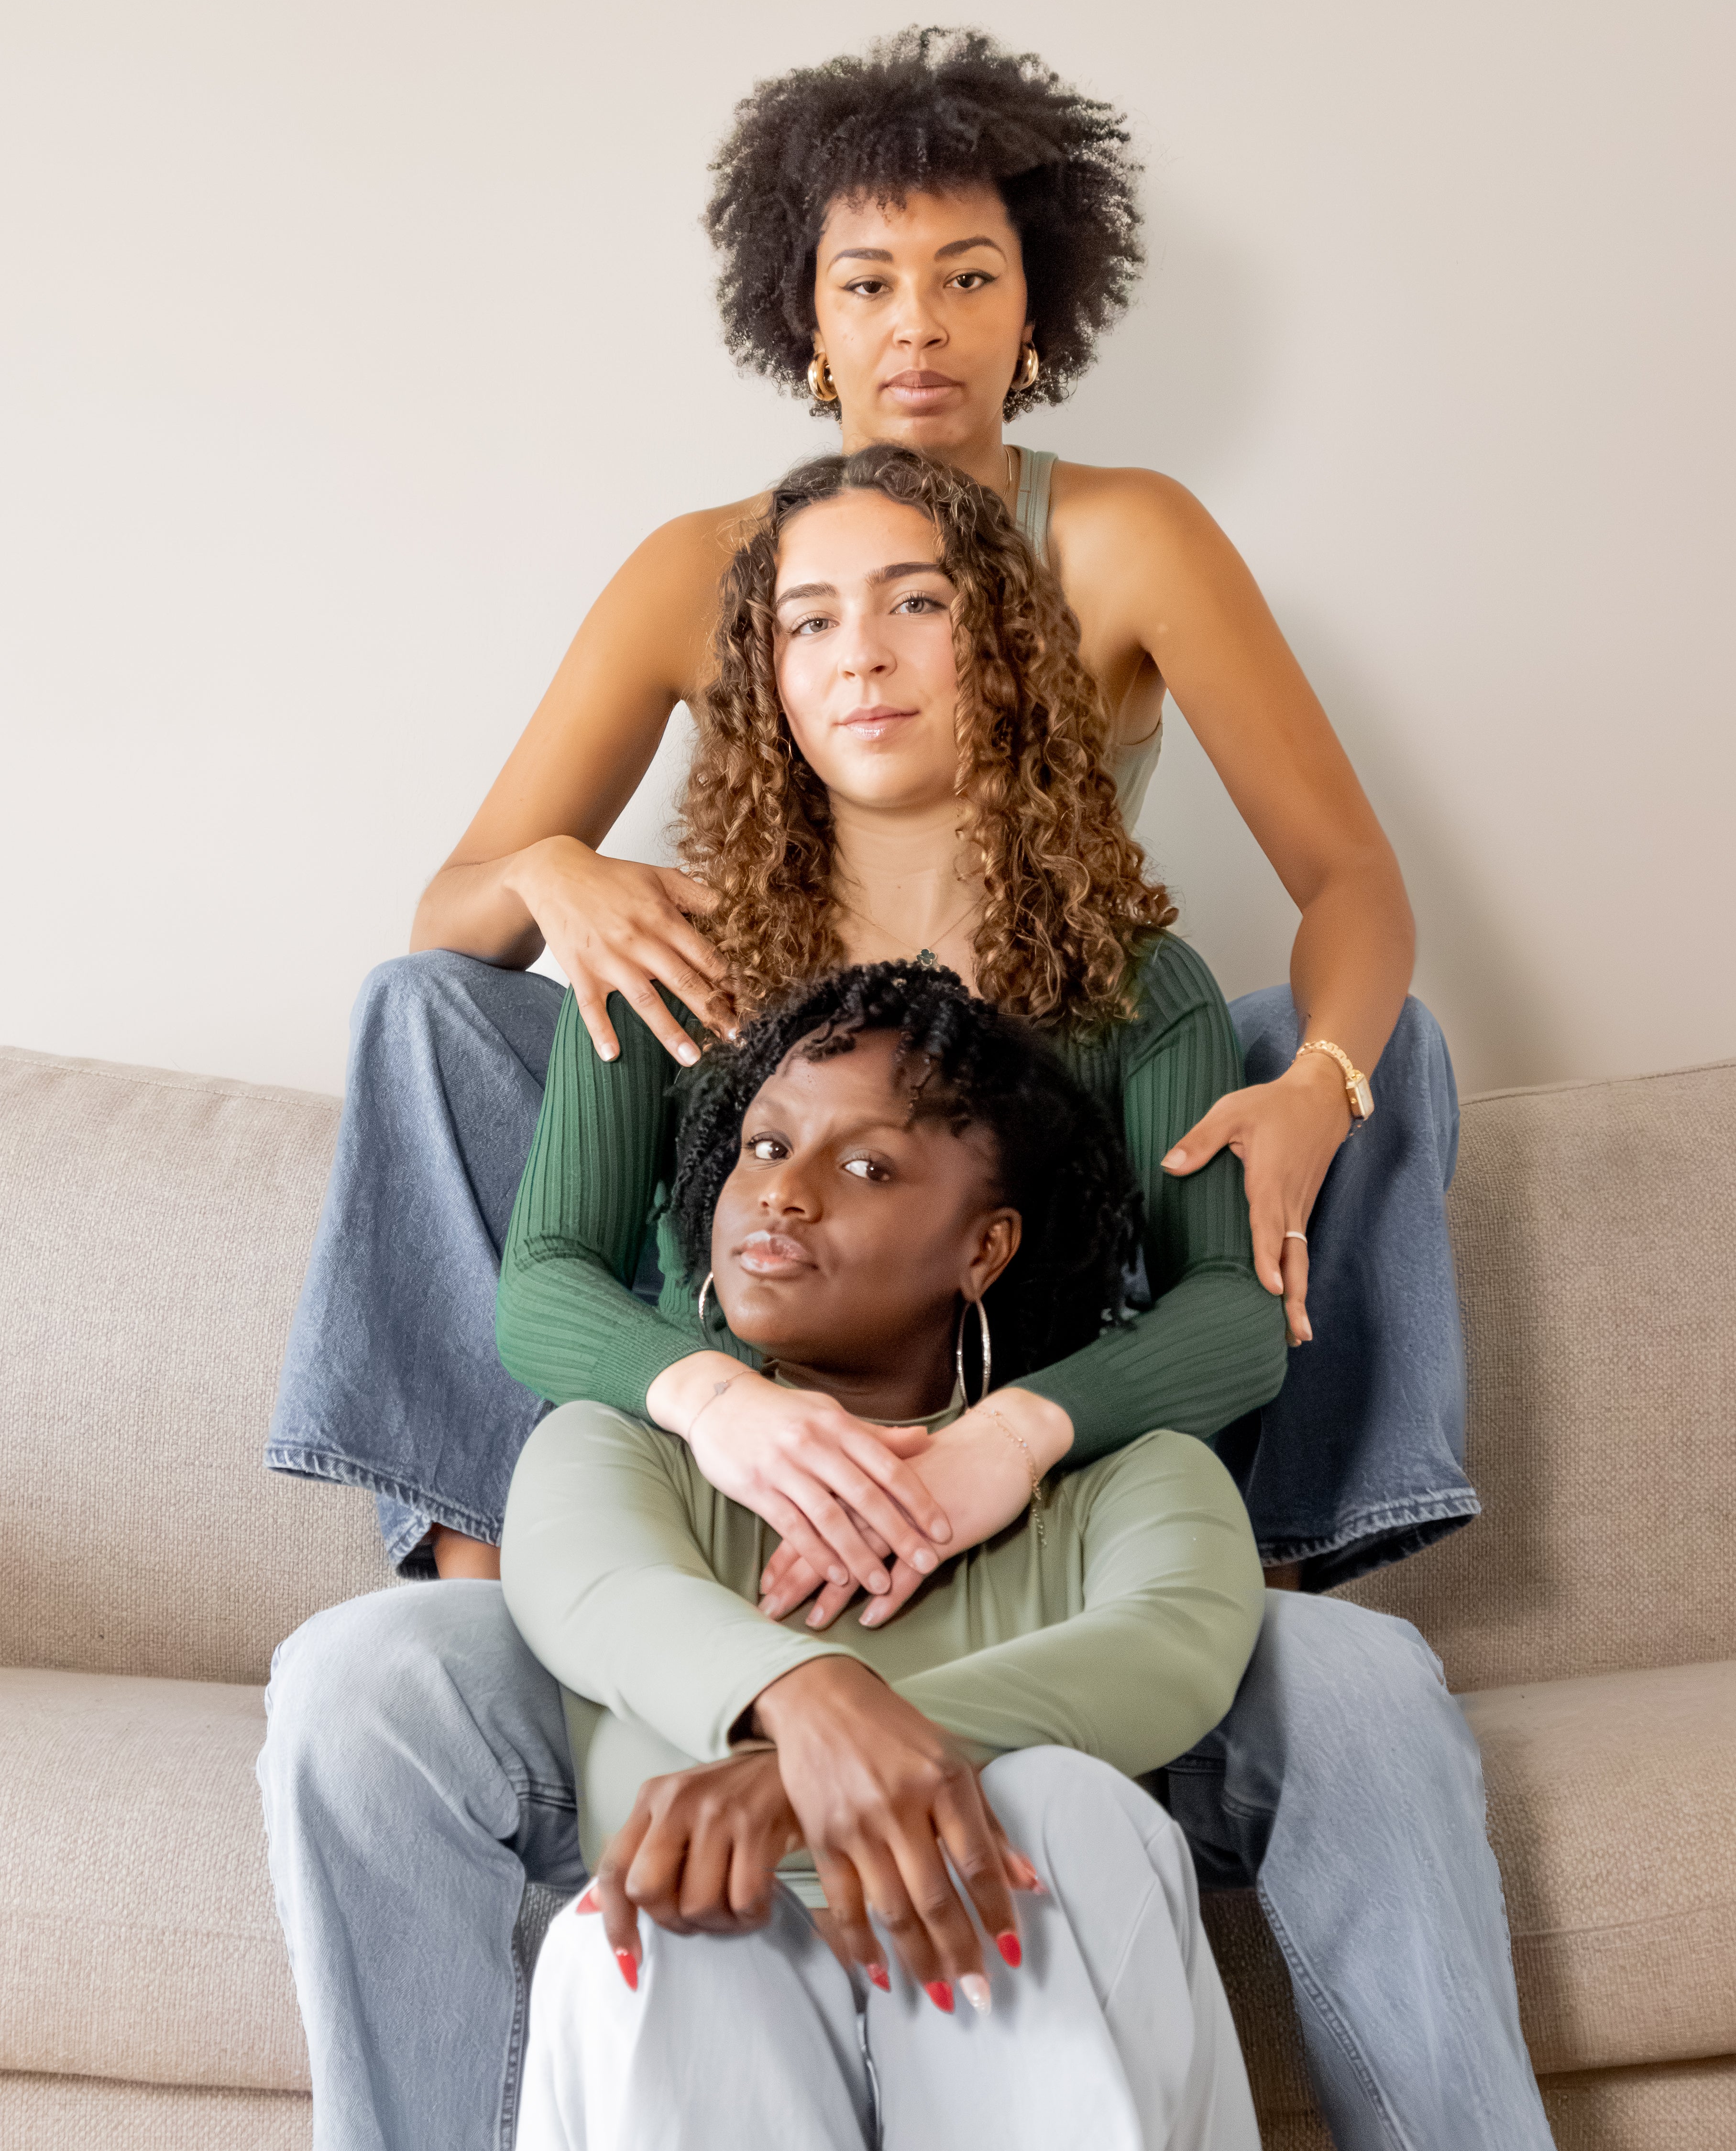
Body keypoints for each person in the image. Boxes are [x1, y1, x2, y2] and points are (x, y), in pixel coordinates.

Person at [258, 448, 1552, 2151]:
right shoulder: (671, 953)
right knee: (356, 1682)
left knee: (1370, 1686)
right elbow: (546, 1293)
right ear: (760, 681)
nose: (855, 655)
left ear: (1006, 645)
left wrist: (1012, 1440)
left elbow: (1229, 1320)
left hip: (1014, 1539)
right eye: (806, 624)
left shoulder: (1133, 982)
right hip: (714, 1535)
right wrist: (721, 1400)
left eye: (915, 605)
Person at [266, 26, 1472, 1596]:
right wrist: (559, 871)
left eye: (968, 278)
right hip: (795, 1079)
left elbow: (1351, 878)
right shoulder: (697, 572)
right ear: (806, 324)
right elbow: (453, 919)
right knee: (421, 1007)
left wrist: (1320, 1079)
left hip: (1058, 1087)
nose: (920, 327)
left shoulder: (1132, 539)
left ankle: (1284, 1572)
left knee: (1392, 1055)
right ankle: (482, 1574)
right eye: (867, 285)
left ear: (1039, 310)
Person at [504, 962, 1265, 2151]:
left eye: (865, 1167)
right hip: (725, 2009)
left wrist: (799, 1770)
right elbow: (599, 1590)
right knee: (636, 1931)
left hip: (1015, 1995)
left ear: (986, 1246)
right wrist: (806, 1702)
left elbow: (1174, 1640)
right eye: (763, 1147)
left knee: (1066, 1802)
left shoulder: (1128, 1476)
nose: (784, 1194)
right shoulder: (622, 1447)